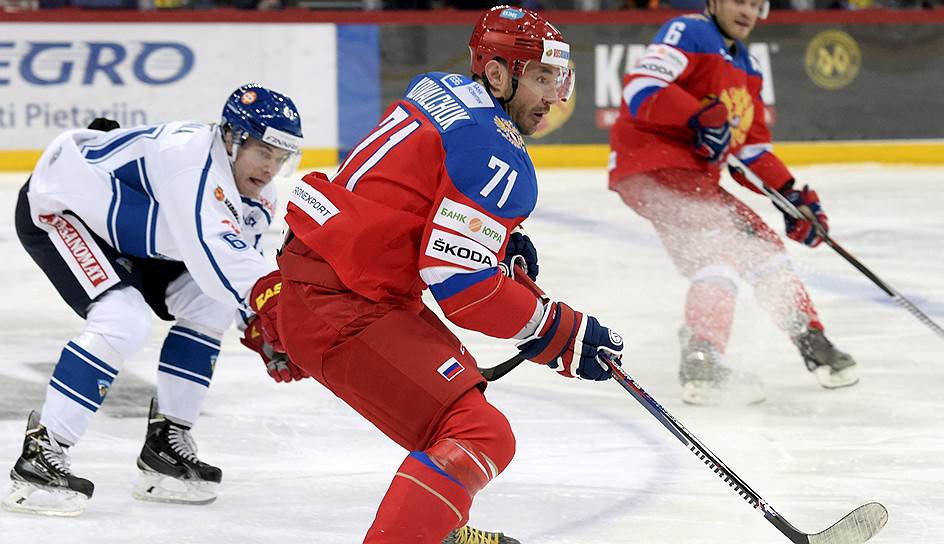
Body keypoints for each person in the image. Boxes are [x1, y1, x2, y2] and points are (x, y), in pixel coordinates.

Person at [251, 6, 624, 543]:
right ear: (497, 74)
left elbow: (407, 189)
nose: (554, 97)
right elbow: (462, 286)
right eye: (542, 78)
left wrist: (495, 238)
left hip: (328, 281)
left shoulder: (438, 88)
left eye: (557, 79)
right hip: (343, 304)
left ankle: (435, 530)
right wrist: (558, 331)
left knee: (459, 411)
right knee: (480, 433)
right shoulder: (497, 151)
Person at [3, 83, 303, 516]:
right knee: (122, 320)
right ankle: (42, 452)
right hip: (63, 207)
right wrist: (279, 315)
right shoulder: (189, 160)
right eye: (263, 152)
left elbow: (238, 268)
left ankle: (166, 441)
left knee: (212, 303)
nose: (271, 168)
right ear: (231, 138)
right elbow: (217, 252)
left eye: (281, 157)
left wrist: (257, 323)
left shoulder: (257, 197)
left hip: (141, 239)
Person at [608, 0, 858, 405]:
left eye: (756, 3)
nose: (748, 10)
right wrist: (696, 115)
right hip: (654, 164)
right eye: (739, 0)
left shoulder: (749, 69)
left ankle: (812, 341)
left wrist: (790, 196)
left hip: (690, 178)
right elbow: (640, 87)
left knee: (763, 248)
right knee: (719, 252)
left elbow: (750, 151)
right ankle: (702, 359)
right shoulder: (690, 31)